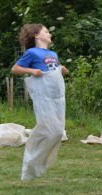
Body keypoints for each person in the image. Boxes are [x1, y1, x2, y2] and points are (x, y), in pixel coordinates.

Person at [11, 24, 68, 181]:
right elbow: (15, 69)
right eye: (46, 32)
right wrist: (31, 71)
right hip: (43, 97)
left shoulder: (53, 54)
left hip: (56, 96)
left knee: (57, 131)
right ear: (37, 35)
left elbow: (52, 70)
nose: (50, 34)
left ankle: (37, 162)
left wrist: (61, 69)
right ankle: (31, 160)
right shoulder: (32, 52)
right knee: (48, 128)